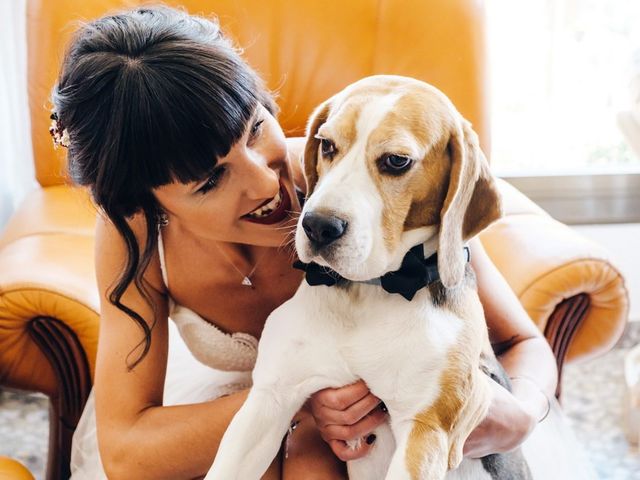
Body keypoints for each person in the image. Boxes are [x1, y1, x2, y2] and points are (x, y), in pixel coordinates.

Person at [51, 6, 583, 479]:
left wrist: (520, 416)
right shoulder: (136, 235)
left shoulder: (350, 175)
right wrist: (303, 396)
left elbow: (522, 343)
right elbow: (126, 453)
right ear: (147, 201)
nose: (265, 183)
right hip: (230, 410)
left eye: (257, 129)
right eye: (211, 180)